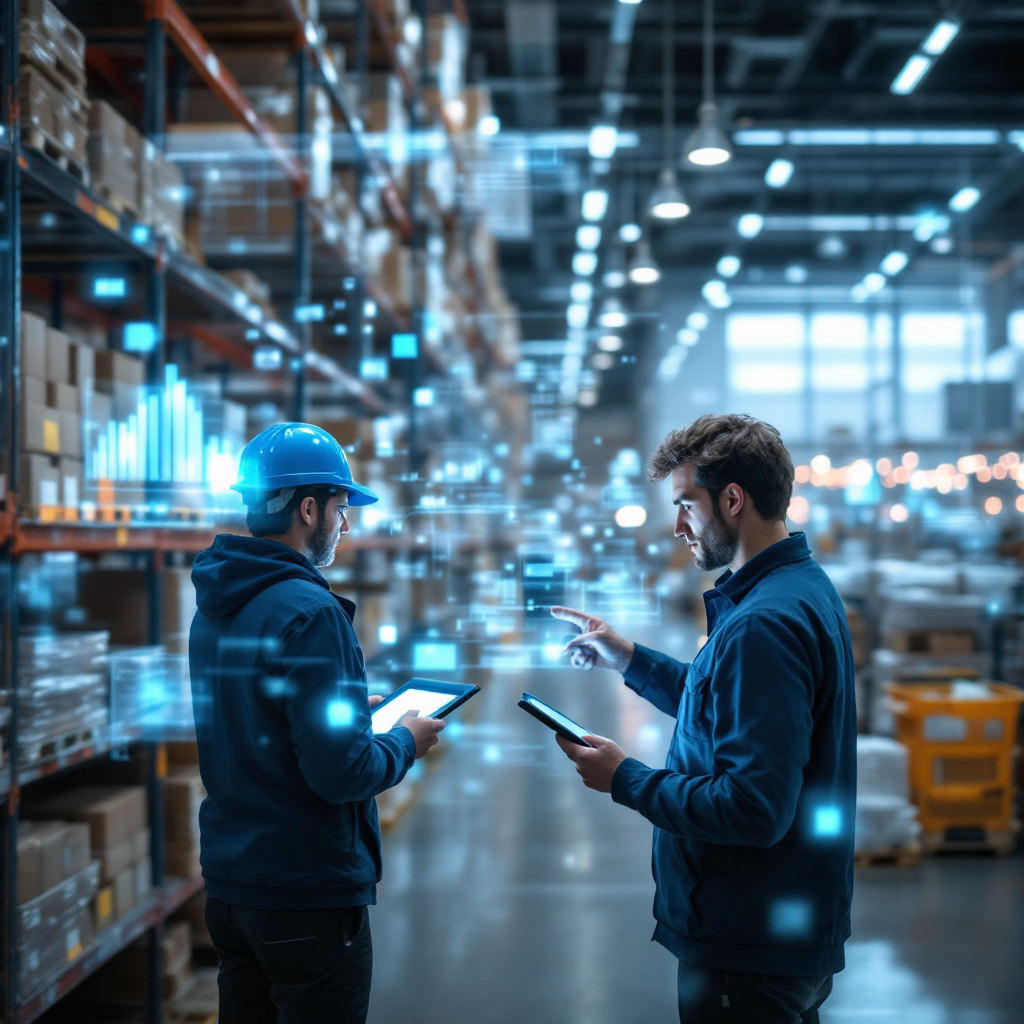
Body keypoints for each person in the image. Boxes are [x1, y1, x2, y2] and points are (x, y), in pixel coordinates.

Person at [552, 414, 856, 1024]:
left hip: (748, 942)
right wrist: (628, 658)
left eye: (687, 505)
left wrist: (626, 778)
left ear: (733, 500)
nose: (678, 527)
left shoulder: (762, 624)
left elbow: (754, 808)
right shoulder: (796, 589)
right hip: (776, 930)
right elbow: (728, 706)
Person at [189, 422, 445, 1024]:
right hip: (305, 892)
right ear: (308, 509)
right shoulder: (312, 612)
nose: (345, 524)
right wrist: (404, 741)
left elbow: (260, 717)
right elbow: (342, 773)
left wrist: (350, 711)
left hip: (233, 888)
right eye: (340, 508)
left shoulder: (216, 606)